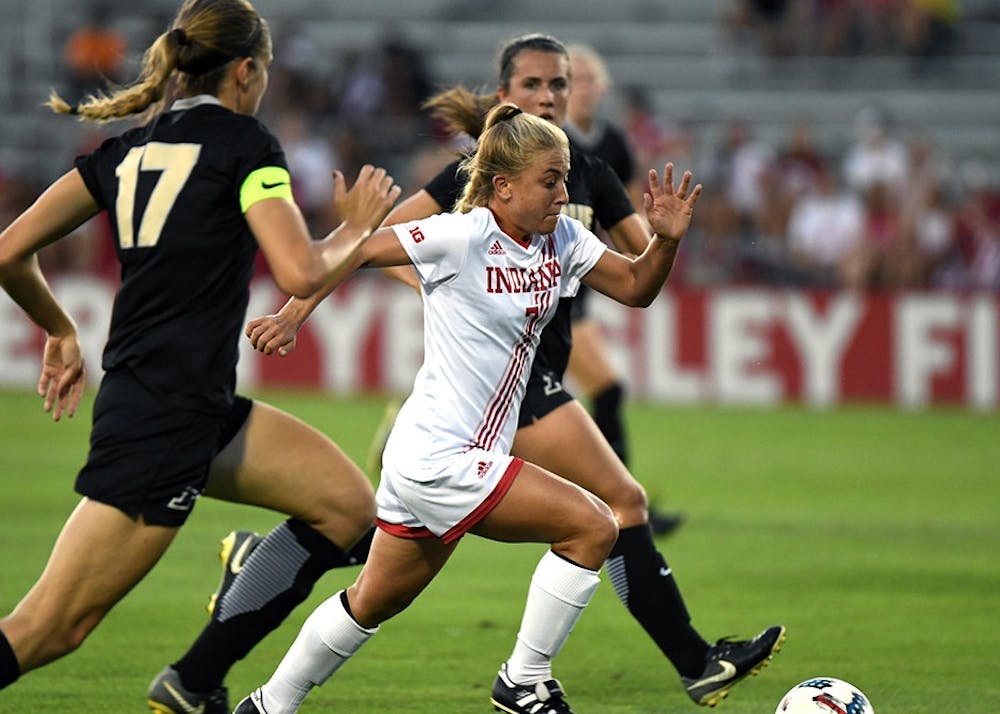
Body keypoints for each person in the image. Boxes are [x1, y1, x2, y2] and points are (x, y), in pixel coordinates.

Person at [242, 34, 784, 709]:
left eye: (564, 179)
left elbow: (640, 287)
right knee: (593, 525)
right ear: (502, 185)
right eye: (550, 182)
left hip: (455, 452)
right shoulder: (459, 234)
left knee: (371, 602)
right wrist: (321, 272)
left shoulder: (564, 236)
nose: (565, 193)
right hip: (441, 454)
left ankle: (268, 704)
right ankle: (523, 681)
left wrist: (667, 240)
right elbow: (345, 259)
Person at [0, 1, 400, 709]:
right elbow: (301, 272)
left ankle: (195, 680)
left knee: (347, 510)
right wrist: (355, 231)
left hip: (191, 404)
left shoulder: (129, 150)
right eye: (266, 71)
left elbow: (9, 251)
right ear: (246, 70)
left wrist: (59, 328)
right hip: (162, 418)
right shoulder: (246, 146)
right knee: (48, 629)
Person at [563, 43, 683, 535]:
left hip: (578, 286)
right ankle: (622, 506)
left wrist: (650, 243)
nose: (587, 88)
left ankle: (618, 503)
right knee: (606, 390)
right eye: (578, 79)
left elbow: (626, 208)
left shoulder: (612, 146)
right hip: (539, 285)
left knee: (598, 391)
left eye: (593, 79)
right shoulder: (543, 139)